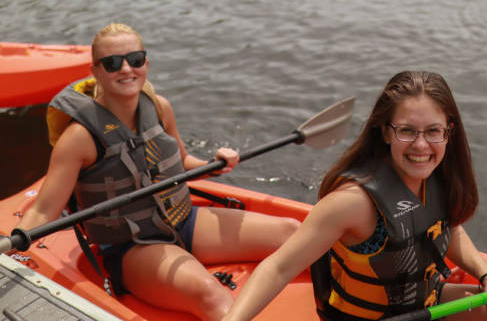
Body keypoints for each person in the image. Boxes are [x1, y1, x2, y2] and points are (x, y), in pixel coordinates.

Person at [222, 71, 487, 321]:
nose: (422, 145)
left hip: (429, 306)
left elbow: (447, 229)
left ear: (448, 132)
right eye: (407, 131)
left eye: (433, 131)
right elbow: (279, 266)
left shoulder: (436, 177)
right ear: (385, 132)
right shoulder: (354, 202)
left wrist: (486, 275)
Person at [11, 23, 300, 321]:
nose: (126, 69)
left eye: (135, 59)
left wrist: (214, 164)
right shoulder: (79, 138)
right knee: (210, 294)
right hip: (134, 246)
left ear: (146, 63)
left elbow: (183, 163)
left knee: (294, 233)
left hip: (183, 222)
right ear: (95, 70)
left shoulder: (159, 107)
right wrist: (11, 245)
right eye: (112, 63)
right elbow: (44, 211)